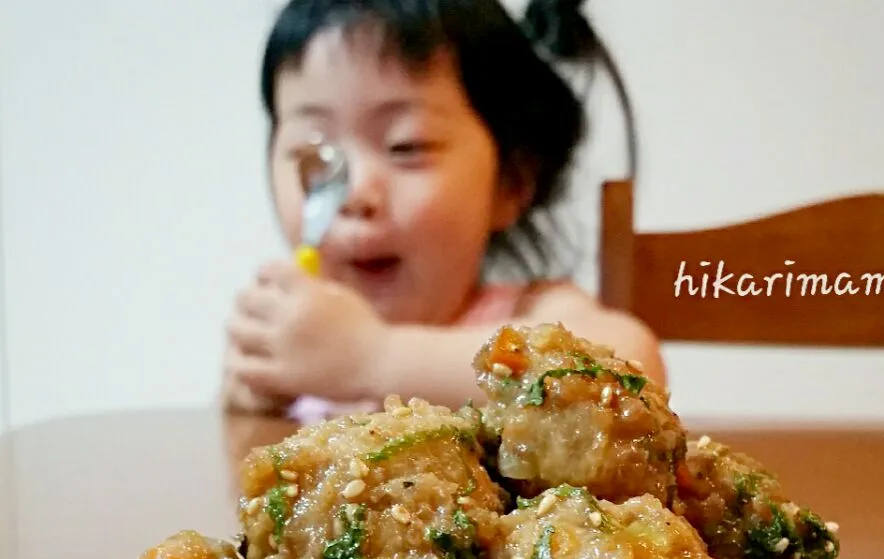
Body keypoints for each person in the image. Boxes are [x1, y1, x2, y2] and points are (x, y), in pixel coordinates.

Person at [222, 0, 666, 421]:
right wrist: (250, 394)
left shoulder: (531, 314)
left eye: (406, 146)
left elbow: (632, 368)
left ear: (510, 183)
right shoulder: (296, 346)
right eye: (313, 154)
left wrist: (374, 357)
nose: (356, 193)